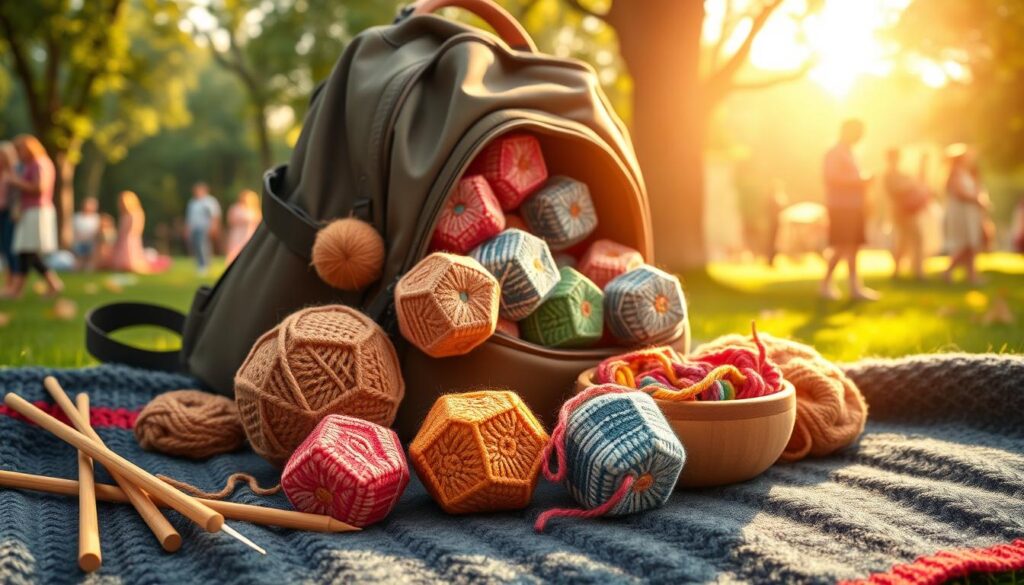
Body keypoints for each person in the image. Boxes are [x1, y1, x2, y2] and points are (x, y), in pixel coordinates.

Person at [819, 119, 879, 301]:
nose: (860, 137)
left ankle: (854, 286)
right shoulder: (834, 153)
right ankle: (826, 283)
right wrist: (860, 181)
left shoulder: (850, 153)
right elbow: (831, 178)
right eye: (858, 132)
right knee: (841, 246)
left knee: (853, 246)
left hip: (853, 206)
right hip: (841, 206)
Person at [1, 135, 63, 298]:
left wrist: (15, 181)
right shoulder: (31, 164)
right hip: (29, 211)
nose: (19, 154)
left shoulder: (40, 163)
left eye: (20, 149)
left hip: (37, 211)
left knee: (27, 251)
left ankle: (45, 284)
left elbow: (39, 188)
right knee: (26, 251)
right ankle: (27, 287)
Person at [942, 144, 987, 285]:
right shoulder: (955, 172)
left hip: (968, 212)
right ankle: (947, 271)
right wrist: (976, 199)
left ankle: (971, 275)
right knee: (965, 244)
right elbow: (959, 192)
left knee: (971, 244)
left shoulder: (964, 172)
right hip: (961, 213)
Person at [883, 148, 930, 280]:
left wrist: (922, 164)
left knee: (904, 242)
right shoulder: (889, 175)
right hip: (901, 212)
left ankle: (898, 271)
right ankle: (918, 272)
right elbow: (898, 189)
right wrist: (910, 185)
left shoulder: (901, 174)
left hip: (908, 211)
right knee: (915, 239)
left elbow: (918, 181)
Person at [111, 190, 156, 274]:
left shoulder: (136, 213)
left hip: (131, 239)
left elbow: (136, 228)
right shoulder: (124, 215)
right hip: (123, 239)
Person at [185, 182, 221, 275]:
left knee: (203, 246)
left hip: (205, 227)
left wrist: (214, 227)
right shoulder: (192, 202)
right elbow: (190, 218)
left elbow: (215, 215)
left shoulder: (210, 201)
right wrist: (187, 229)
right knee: (196, 247)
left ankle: (205, 266)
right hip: (195, 228)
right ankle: (199, 265)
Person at [0, 141, 19, 286]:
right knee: (3, 247)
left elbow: (17, 196)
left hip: (9, 213)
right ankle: (8, 281)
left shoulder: (14, 172)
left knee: (10, 246)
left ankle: (14, 281)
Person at [225, 189, 261, 264]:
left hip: (249, 233)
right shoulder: (236, 208)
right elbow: (230, 220)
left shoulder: (254, 209)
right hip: (237, 233)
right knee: (235, 250)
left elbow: (259, 222)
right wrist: (242, 220)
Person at [72, 196, 101, 271]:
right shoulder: (77, 217)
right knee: (79, 258)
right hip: (79, 242)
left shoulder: (96, 218)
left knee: (90, 257)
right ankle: (77, 269)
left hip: (91, 242)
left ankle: (88, 269)